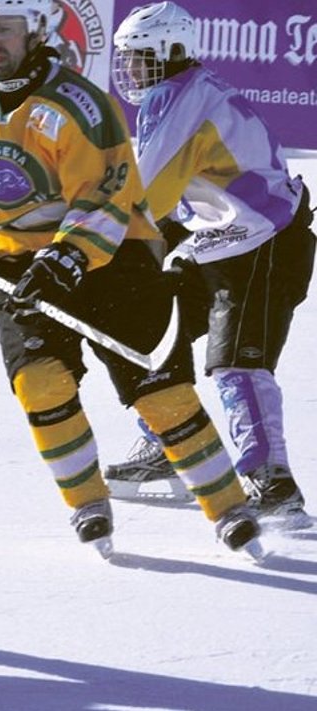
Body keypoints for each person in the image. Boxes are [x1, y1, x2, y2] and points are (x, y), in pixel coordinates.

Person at [0, 0, 261, 557]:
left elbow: (107, 197)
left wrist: (66, 258)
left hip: (115, 257)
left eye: (5, 29)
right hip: (18, 263)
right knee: (40, 383)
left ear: (37, 30)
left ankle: (229, 509)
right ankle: (87, 503)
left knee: (161, 393)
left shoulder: (81, 104)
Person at [105, 1, 313, 529]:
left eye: (140, 59)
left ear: (172, 54)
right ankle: (170, 444)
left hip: (266, 244)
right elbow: (178, 193)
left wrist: (88, 245)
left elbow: (142, 197)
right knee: (159, 336)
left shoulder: (181, 103)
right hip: (221, 240)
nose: (130, 71)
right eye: (126, 59)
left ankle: (271, 482)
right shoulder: (178, 92)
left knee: (237, 363)